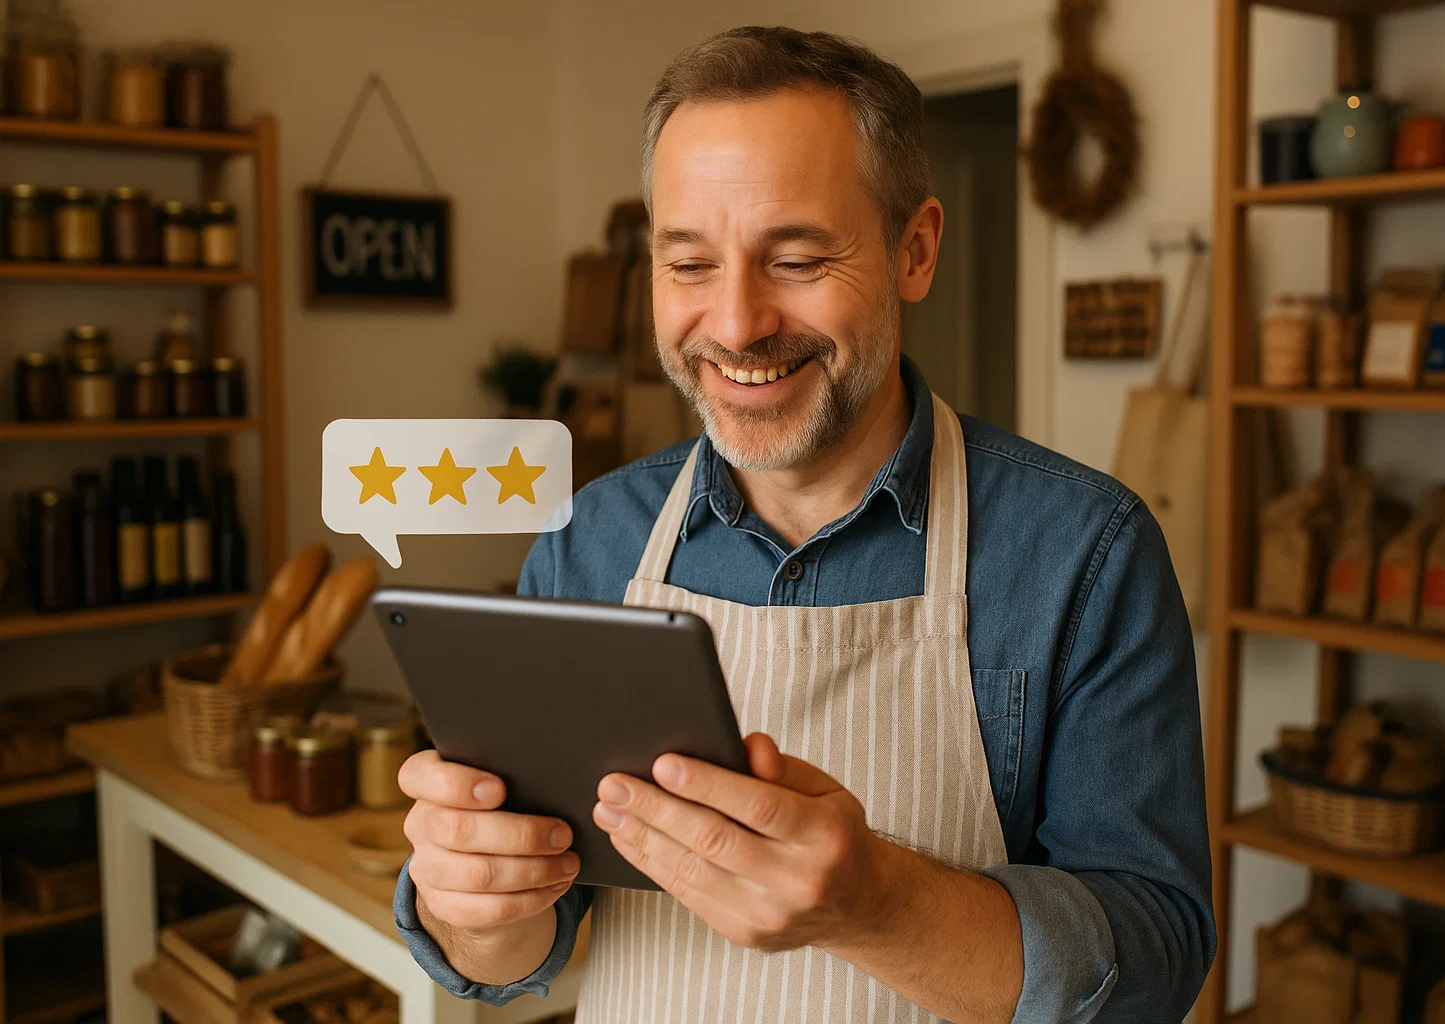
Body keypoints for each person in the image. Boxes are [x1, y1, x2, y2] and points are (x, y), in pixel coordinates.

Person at [393, 25, 1215, 1024]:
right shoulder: (591, 539)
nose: (736, 324)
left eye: (796, 257)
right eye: (690, 263)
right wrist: (474, 904)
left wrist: (875, 903)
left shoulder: (1086, 554)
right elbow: (530, 941)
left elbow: (1158, 965)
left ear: (914, 250)